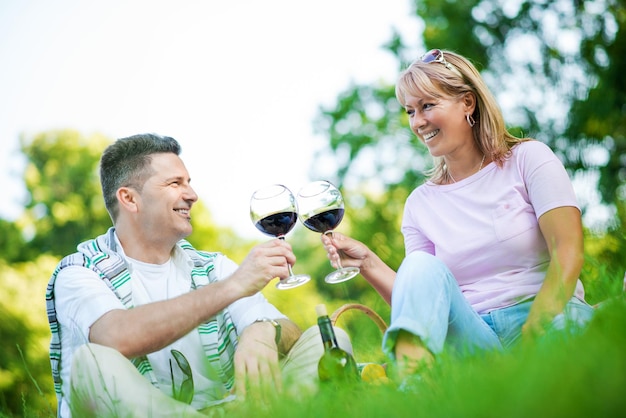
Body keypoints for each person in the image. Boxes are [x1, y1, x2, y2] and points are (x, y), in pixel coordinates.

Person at [321, 49, 594, 382]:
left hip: (549, 316)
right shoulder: (419, 204)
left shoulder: (529, 160)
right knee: (419, 266)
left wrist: (532, 333)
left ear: (467, 102)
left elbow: (568, 251)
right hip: (474, 335)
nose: (417, 122)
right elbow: (421, 301)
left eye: (427, 106)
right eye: (410, 110)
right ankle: (414, 389)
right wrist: (368, 263)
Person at [45, 133, 352, 417]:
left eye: (188, 182)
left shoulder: (211, 266)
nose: (192, 194)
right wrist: (233, 286)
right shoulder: (79, 272)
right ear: (129, 199)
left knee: (330, 340)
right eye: (174, 183)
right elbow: (116, 336)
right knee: (93, 362)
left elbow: (289, 333)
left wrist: (263, 331)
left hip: (231, 409)